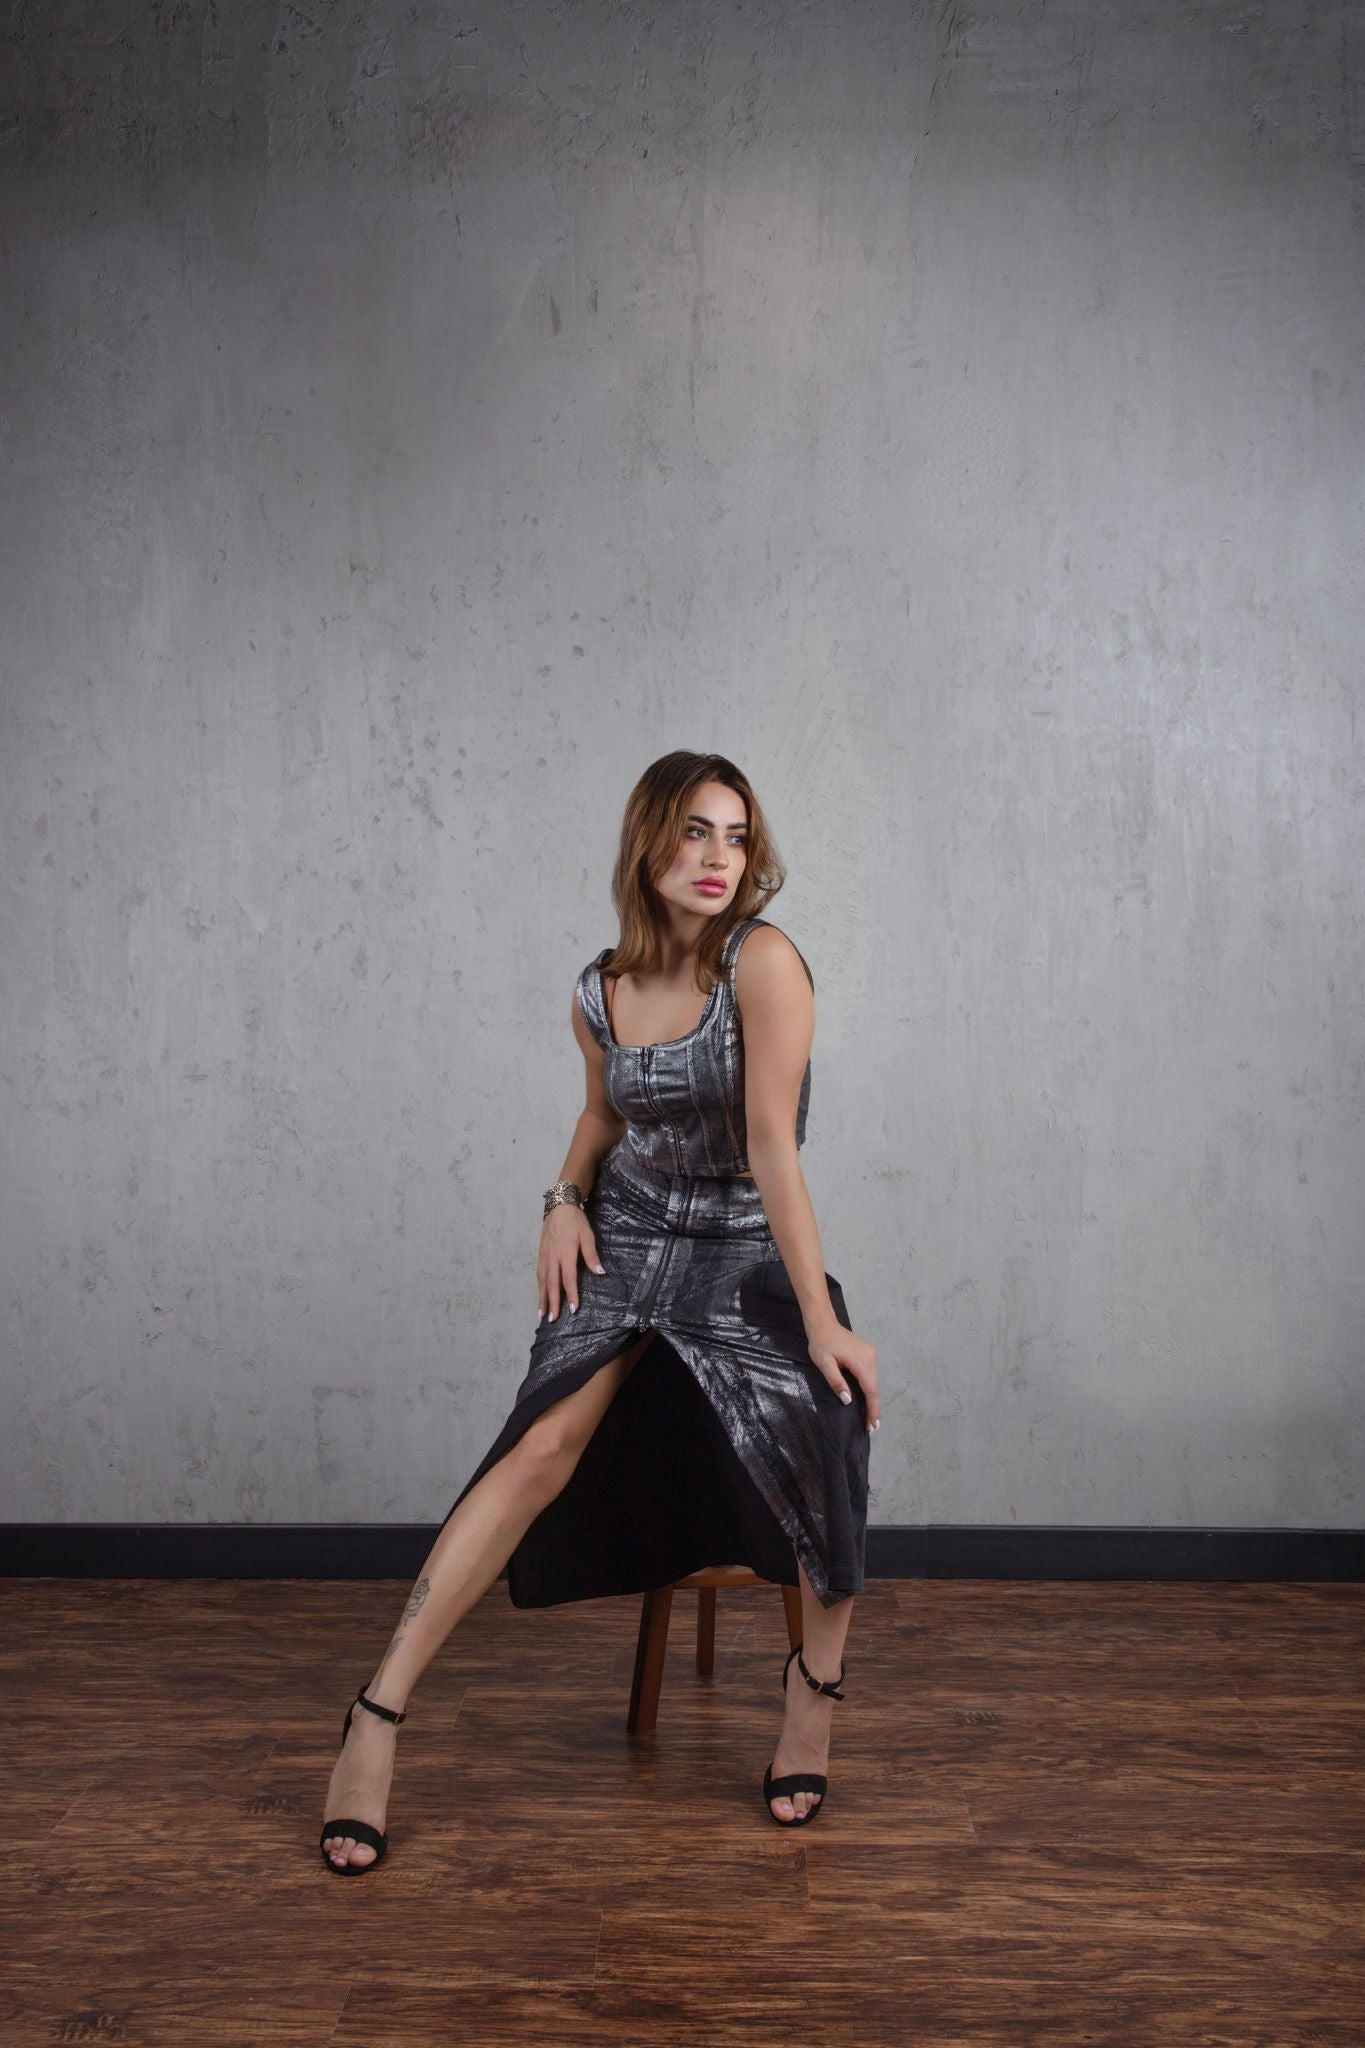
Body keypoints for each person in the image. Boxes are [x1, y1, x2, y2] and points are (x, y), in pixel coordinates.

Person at [320, 750, 880, 1873]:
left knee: (828, 1419)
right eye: (692, 833)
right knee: (540, 1442)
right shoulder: (598, 987)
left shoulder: (762, 965)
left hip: (742, 1248)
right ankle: (374, 1715)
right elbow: (599, 1113)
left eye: (733, 834)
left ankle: (812, 1691)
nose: (718, 858)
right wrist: (564, 1200)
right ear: (648, 846)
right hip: (628, 1236)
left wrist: (818, 1316)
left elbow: (771, 1149)